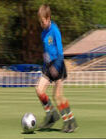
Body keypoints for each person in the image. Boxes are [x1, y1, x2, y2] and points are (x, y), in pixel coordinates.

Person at [35, 4, 77, 133]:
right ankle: (51, 115)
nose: (42, 24)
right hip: (48, 66)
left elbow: (60, 52)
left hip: (58, 64)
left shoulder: (55, 30)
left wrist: (56, 66)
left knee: (57, 96)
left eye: (43, 21)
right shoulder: (43, 34)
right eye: (40, 22)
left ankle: (70, 122)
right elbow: (46, 52)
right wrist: (46, 64)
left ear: (49, 18)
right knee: (39, 89)